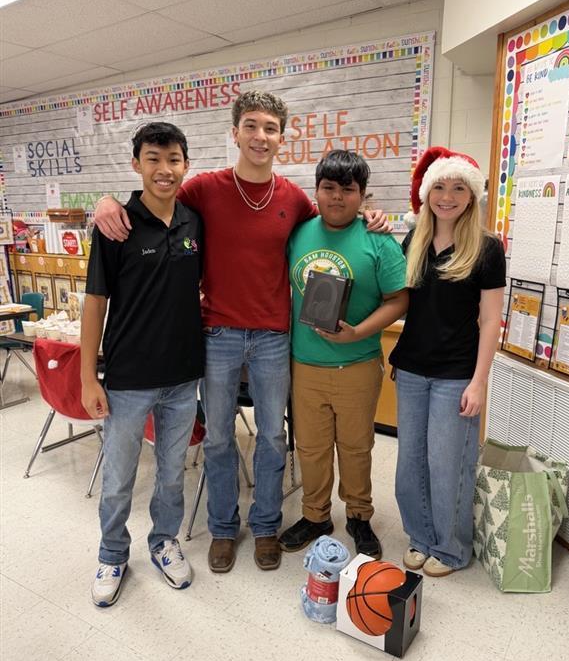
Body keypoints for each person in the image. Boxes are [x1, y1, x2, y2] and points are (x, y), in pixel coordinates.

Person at [93, 90, 390, 574]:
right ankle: (224, 528)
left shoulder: (294, 199)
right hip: (217, 335)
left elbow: (335, 225)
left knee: (273, 436)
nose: (260, 136)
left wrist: (370, 215)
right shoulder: (204, 189)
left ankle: (267, 526)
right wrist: (106, 201)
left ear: (281, 138)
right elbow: (153, 194)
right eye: (250, 126)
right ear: (234, 133)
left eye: (270, 128)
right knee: (217, 440)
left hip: (275, 336)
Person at [81, 122, 204, 606]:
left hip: (182, 375)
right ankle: (112, 553)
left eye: (173, 159)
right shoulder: (115, 225)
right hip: (129, 378)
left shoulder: (195, 222)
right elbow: (95, 302)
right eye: (153, 158)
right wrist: (88, 375)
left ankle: (164, 542)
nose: (164, 169)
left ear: (185, 166)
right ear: (136, 164)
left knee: (172, 473)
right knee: (119, 477)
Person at [280, 150, 407, 559]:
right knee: (311, 449)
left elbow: (398, 299)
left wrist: (357, 333)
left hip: (357, 364)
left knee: (356, 447)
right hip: (305, 364)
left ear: (363, 195)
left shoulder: (378, 239)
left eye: (347, 190)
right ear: (316, 191)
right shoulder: (299, 233)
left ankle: (359, 515)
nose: (337, 197)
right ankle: (316, 515)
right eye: (328, 188)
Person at [390, 146, 505, 578]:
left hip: (456, 374)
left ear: (472, 196)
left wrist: (479, 382)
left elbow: (491, 320)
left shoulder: (486, 249)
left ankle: (452, 548)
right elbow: (401, 302)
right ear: (426, 193)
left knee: (448, 465)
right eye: (439, 186)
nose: (448, 196)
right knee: (409, 463)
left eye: (459, 188)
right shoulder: (413, 240)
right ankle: (420, 537)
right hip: (412, 370)